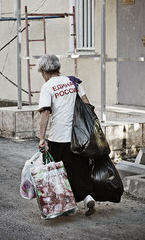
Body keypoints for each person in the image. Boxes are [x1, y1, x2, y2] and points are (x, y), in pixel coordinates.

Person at [37, 54, 95, 216]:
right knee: (80, 168)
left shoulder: (47, 86)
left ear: (44, 71)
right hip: (79, 136)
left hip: (59, 137)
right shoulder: (72, 82)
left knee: (59, 173)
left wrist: (42, 138)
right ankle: (88, 197)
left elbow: (45, 112)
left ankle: (66, 205)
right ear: (58, 68)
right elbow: (87, 105)